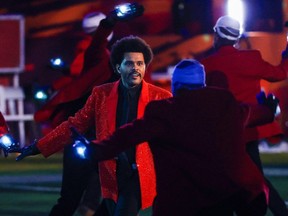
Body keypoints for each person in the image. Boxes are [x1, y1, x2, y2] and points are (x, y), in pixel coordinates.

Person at [70, 59, 279, 216]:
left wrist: (94, 149)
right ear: (202, 84)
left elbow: (128, 135)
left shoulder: (165, 112)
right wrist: (268, 110)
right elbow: (253, 113)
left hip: (184, 202)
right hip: (231, 195)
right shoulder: (224, 104)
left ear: (175, 86)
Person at [16, 35, 172, 216]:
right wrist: (39, 146)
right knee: (75, 202)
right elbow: (76, 123)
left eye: (140, 63)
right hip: (107, 166)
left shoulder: (160, 97)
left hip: (136, 173)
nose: (135, 68)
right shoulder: (101, 94)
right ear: (117, 67)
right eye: (129, 63)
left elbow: (175, 134)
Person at [33, 4, 145, 215]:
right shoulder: (99, 56)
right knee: (82, 199)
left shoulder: (117, 71)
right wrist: (109, 21)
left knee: (107, 197)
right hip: (87, 138)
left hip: (100, 140)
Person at [200, 15, 288, 215]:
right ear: (236, 38)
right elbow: (281, 73)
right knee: (255, 180)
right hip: (249, 131)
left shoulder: (206, 64)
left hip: (220, 135)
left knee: (224, 182)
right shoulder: (252, 58)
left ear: (217, 35)